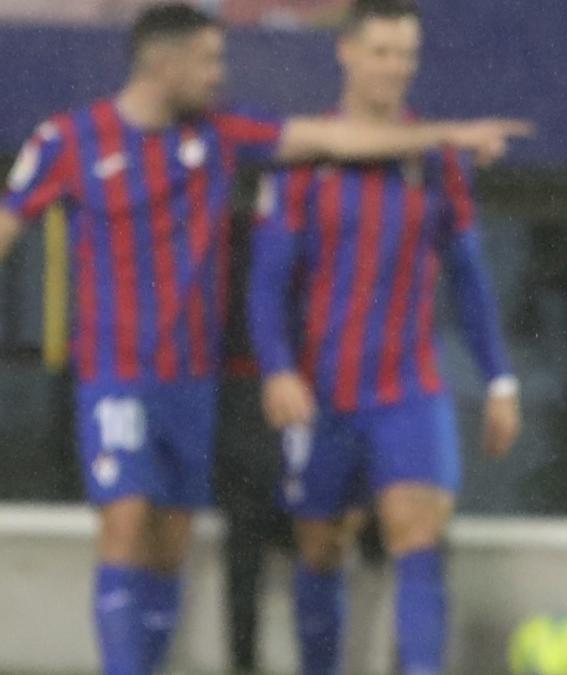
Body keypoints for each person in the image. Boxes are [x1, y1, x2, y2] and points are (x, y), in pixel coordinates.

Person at [0, 4, 529, 674]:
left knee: (174, 543)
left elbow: (344, 148)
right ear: (164, 63)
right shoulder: (72, 140)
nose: (220, 74)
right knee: (132, 525)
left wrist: (446, 136)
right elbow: (10, 225)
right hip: (124, 374)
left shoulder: (226, 135)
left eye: (407, 54)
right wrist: (280, 366)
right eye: (210, 60)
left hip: (207, 382)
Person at [247, 1, 521, 673]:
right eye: (381, 52)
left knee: (417, 531)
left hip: (409, 388)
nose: (395, 67)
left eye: (405, 54)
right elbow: (266, 283)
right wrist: (278, 367)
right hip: (322, 391)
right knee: (319, 546)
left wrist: (500, 379)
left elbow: (469, 276)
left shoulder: (437, 160)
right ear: (346, 52)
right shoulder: (304, 156)